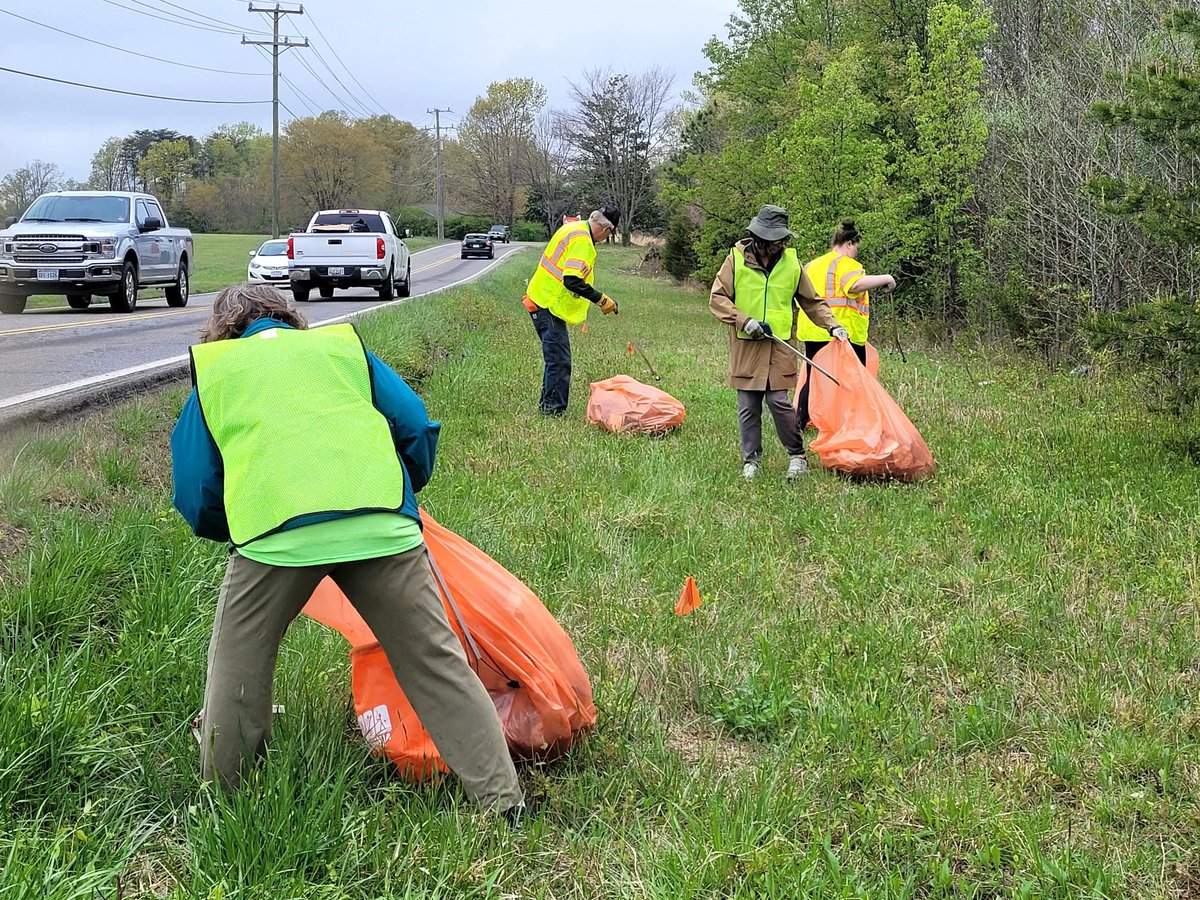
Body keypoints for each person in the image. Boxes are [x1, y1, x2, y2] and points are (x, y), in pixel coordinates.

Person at [170, 283, 527, 825]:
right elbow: (412, 421)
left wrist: (234, 527)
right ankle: (505, 806)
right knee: (437, 663)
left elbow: (195, 486)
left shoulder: (220, 370)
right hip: (381, 523)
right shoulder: (341, 348)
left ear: (223, 330)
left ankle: (226, 806)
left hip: (275, 537)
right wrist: (403, 492)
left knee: (238, 668)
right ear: (291, 318)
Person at [709, 205, 849, 482]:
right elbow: (718, 298)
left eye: (782, 240)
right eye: (775, 240)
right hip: (747, 345)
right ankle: (752, 460)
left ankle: (797, 457)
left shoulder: (791, 263)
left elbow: (812, 301)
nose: (780, 245)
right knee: (748, 405)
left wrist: (833, 325)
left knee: (779, 402)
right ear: (760, 238)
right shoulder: (735, 260)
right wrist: (744, 320)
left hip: (780, 346)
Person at [796, 218, 896, 428]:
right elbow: (854, 285)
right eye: (856, 248)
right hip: (843, 333)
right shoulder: (847, 264)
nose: (855, 253)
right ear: (849, 243)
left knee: (813, 376)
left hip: (813, 331)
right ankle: (852, 423)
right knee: (852, 381)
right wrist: (886, 278)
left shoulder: (811, 265)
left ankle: (800, 419)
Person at [522, 204, 622, 416]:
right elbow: (572, 280)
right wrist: (601, 300)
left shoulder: (573, 228)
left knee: (554, 359)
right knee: (559, 361)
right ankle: (552, 412)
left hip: (540, 297)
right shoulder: (583, 241)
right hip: (549, 303)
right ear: (606, 230)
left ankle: (547, 405)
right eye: (609, 235)